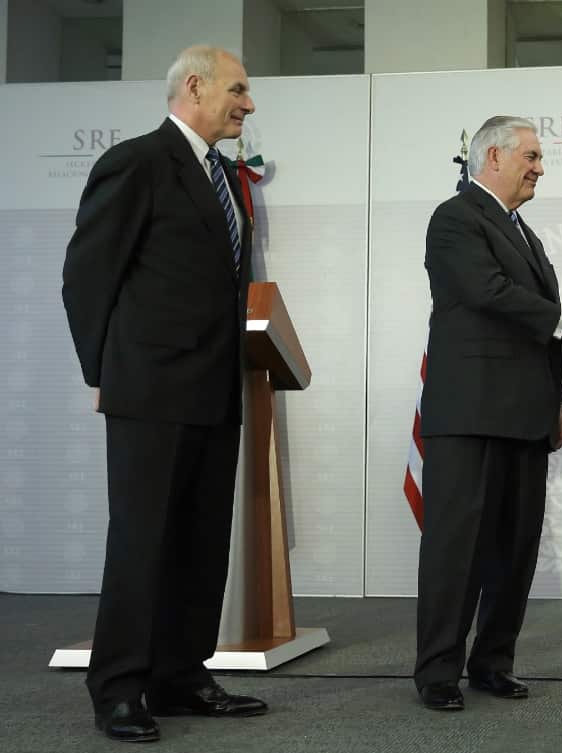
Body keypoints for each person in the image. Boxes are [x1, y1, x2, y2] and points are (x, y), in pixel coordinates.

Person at [61, 46, 266, 743]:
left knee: (202, 541)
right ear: (195, 87)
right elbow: (88, 277)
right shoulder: (137, 162)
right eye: (238, 89)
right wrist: (103, 372)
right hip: (150, 390)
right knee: (143, 542)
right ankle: (118, 686)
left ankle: (181, 675)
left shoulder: (231, 179)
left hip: (217, 387)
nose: (248, 103)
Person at [415, 116, 562, 711]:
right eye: (532, 156)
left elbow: (541, 333)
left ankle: (492, 662)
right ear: (493, 156)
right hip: (469, 416)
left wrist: (558, 401)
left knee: (515, 549)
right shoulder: (456, 218)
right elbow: (487, 292)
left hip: (525, 417)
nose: (540, 167)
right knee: (455, 550)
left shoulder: (524, 232)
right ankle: (438, 672)